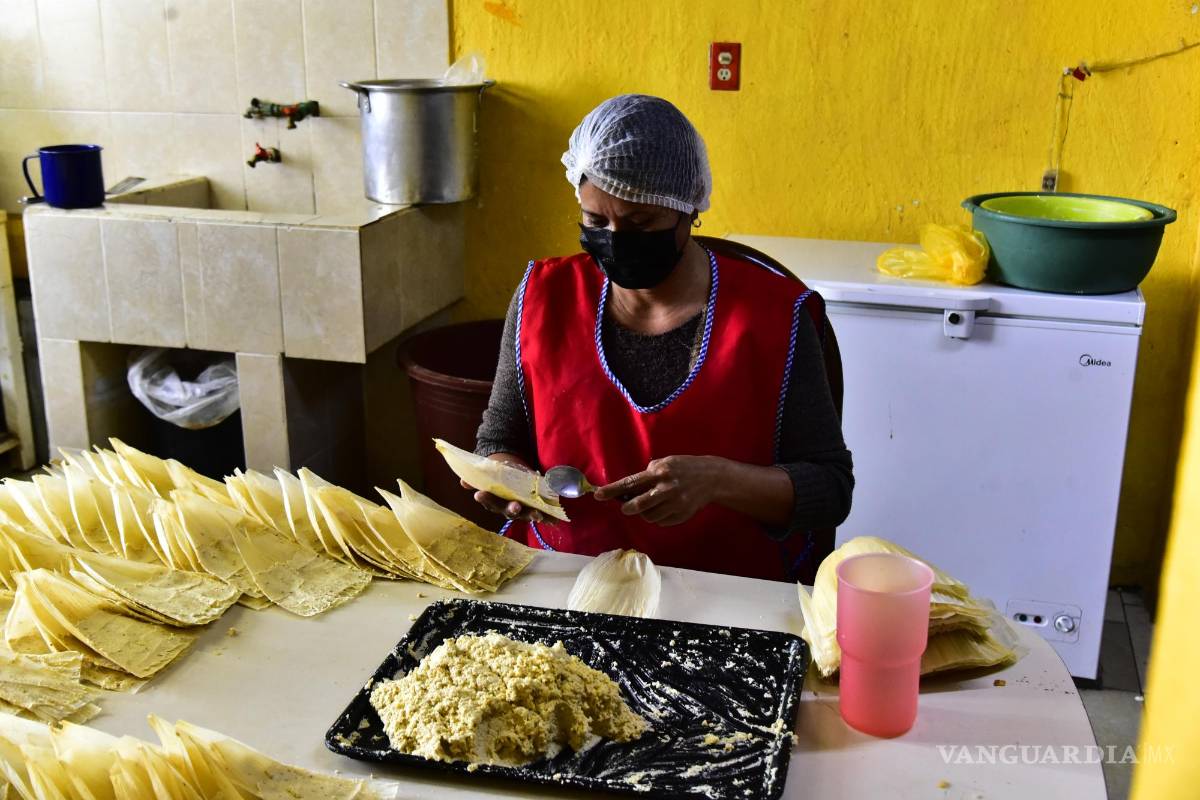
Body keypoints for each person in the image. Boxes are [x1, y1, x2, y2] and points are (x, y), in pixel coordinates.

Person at [469, 94, 852, 581]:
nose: (615, 238)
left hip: (725, 591)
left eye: (640, 223)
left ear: (688, 208)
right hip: (562, 580)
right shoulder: (542, 299)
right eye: (595, 221)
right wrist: (504, 477)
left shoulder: (776, 317)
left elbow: (830, 489)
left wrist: (719, 480)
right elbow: (498, 439)